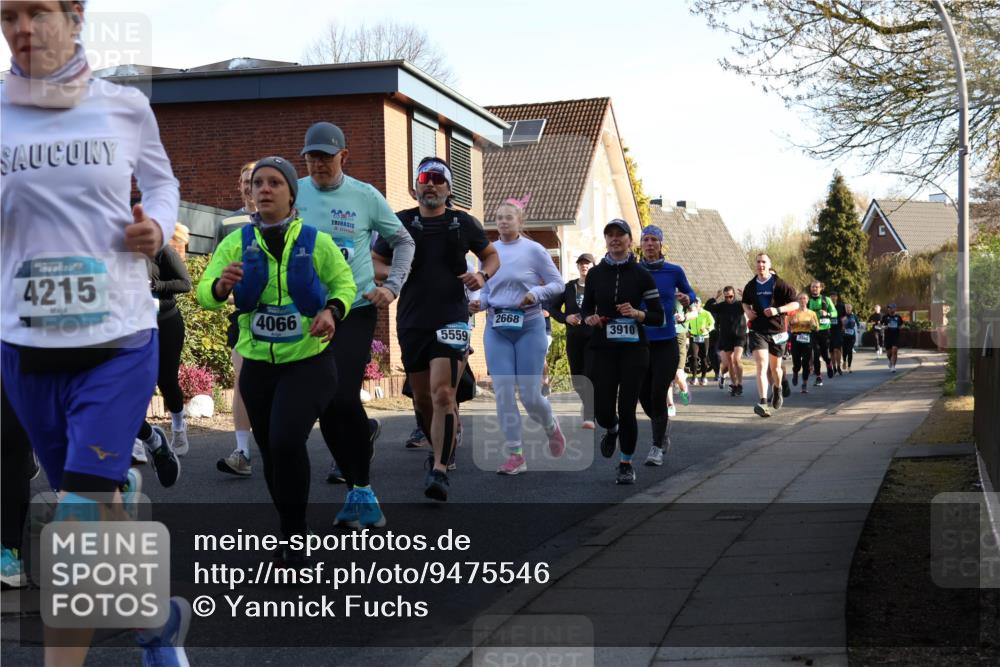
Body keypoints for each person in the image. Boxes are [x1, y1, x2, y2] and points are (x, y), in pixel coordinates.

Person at [1, 2, 189, 664]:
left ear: (74, 16)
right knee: (98, 515)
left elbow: (164, 186)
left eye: (37, 11)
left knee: (77, 524)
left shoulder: (124, 107)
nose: (22, 27)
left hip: (119, 339)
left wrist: (156, 227)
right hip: (26, 349)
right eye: (7, 15)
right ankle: (156, 620)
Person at [198, 156, 356, 547]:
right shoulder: (236, 242)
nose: (264, 189)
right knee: (271, 451)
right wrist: (221, 286)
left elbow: (345, 284)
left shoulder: (316, 241)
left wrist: (332, 311)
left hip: (308, 362)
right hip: (257, 365)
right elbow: (205, 292)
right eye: (258, 184)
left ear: (290, 193)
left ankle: (295, 534)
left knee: (286, 441)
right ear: (250, 194)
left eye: (274, 183)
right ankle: (290, 528)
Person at [295, 122, 415, 525]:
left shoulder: (365, 196)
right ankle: (357, 489)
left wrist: (393, 285)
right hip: (308, 312)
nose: (317, 165)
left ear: (343, 157)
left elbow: (404, 241)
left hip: (355, 310)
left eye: (325, 158)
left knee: (342, 397)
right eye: (311, 157)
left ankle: (363, 488)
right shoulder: (293, 190)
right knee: (324, 404)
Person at [373, 157, 499, 501]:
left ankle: (440, 469)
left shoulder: (462, 223)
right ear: (415, 187)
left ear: (449, 187)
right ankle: (441, 442)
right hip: (412, 319)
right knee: (424, 399)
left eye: (438, 179)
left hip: (452, 317)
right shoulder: (399, 223)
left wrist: (482, 276)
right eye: (424, 179)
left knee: (443, 392)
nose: (430, 184)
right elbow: (374, 262)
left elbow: (491, 256)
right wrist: (398, 271)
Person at [469, 197, 564, 475]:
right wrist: (477, 302)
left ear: (520, 222)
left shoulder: (534, 250)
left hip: (529, 325)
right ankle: (515, 454)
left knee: (531, 396)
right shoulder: (488, 252)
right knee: (503, 392)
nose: (502, 221)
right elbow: (484, 291)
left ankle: (551, 426)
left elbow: (557, 284)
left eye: (509, 216)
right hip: (497, 326)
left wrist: (536, 293)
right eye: (498, 217)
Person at [581, 219, 664, 484]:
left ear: (630, 241)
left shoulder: (642, 274)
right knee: (603, 410)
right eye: (610, 235)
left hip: (634, 350)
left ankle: (626, 463)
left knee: (627, 408)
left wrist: (637, 313)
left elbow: (657, 316)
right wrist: (589, 319)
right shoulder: (595, 274)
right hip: (603, 348)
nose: (615, 239)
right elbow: (586, 310)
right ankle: (612, 427)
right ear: (606, 241)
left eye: (620, 235)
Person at [131, 234, 191, 486]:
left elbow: (184, 284)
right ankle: (135, 440)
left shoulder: (161, 249)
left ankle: (178, 426)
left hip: (166, 323)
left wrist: (155, 286)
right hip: (134, 327)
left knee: (166, 381)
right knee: (133, 384)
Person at [635, 226, 695, 467]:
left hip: (666, 341)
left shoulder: (674, 271)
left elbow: (690, 293)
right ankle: (662, 429)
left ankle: (657, 445)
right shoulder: (634, 271)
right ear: (640, 244)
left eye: (654, 240)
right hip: (639, 341)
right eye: (646, 240)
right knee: (644, 396)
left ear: (661, 244)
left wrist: (687, 298)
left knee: (659, 392)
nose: (650, 244)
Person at [216, 161, 257, 478]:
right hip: (241, 315)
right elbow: (219, 271)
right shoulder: (229, 223)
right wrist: (225, 291)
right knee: (242, 380)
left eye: (253, 180)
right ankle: (242, 451)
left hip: (281, 317)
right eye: (244, 180)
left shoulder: (290, 221)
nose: (248, 185)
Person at [742, 255, 799, 417]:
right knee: (761, 366)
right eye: (758, 262)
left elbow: (795, 303)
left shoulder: (779, 283)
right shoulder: (751, 285)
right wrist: (747, 311)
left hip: (777, 330)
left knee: (775, 368)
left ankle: (778, 388)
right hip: (758, 330)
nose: (761, 265)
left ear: (769, 265)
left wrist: (778, 310)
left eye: (764, 262)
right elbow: (745, 302)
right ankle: (762, 402)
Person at [549, 253, 597, 429]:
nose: (584, 266)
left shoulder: (598, 287)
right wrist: (565, 318)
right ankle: (588, 405)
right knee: (577, 379)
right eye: (581, 264)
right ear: (578, 267)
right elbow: (551, 307)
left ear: (593, 266)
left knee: (589, 374)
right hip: (574, 338)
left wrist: (597, 317)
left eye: (587, 263)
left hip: (593, 338)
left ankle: (590, 415)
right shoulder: (569, 287)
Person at [707, 286, 747, 396]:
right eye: (726, 297)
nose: (729, 299)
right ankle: (734, 384)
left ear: (734, 295)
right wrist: (715, 297)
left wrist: (744, 296)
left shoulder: (739, 305)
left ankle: (740, 384)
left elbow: (750, 305)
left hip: (739, 336)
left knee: (737, 359)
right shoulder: (722, 306)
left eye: (731, 296)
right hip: (726, 337)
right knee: (729, 362)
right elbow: (708, 308)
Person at [806, 281, 837, 385]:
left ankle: (828, 364)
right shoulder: (809, 302)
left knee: (824, 353)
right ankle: (818, 376)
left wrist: (827, 313)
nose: (814, 289)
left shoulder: (826, 299)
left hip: (825, 330)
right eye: (812, 287)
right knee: (816, 353)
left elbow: (835, 313)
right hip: (814, 330)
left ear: (820, 288)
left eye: (816, 287)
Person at [788, 294, 820, 392]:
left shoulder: (812, 313)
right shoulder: (793, 313)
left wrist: (813, 325)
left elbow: (817, 328)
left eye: (804, 298)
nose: (802, 300)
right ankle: (795, 372)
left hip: (807, 337)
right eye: (800, 298)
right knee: (796, 362)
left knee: (805, 362)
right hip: (796, 337)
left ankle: (804, 384)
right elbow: (789, 325)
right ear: (798, 300)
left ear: (807, 300)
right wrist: (792, 323)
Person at [685, 300, 714, 385]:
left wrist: (707, 329)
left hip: (704, 337)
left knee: (704, 357)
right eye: (694, 303)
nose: (695, 304)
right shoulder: (690, 313)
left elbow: (712, 323)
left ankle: (703, 377)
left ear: (700, 304)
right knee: (693, 357)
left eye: (697, 303)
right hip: (694, 337)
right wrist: (687, 330)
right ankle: (694, 377)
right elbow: (685, 322)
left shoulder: (706, 313)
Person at [881, 303, 905, 372]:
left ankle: (893, 366)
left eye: (891, 308)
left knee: (894, 351)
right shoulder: (885, 317)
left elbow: (902, 325)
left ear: (895, 309)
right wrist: (884, 327)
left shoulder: (898, 317)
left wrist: (900, 327)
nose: (890, 309)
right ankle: (890, 361)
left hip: (896, 336)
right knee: (889, 353)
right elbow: (880, 326)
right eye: (889, 308)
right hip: (888, 337)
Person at [829, 291, 845, 375]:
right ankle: (834, 367)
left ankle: (839, 366)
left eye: (834, 296)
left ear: (837, 297)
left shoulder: (841, 306)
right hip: (829, 330)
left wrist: (843, 321)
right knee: (831, 351)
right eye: (831, 296)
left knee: (837, 349)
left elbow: (845, 316)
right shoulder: (827, 306)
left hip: (838, 330)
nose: (833, 298)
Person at [841, 303, 860, 373]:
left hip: (852, 336)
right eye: (847, 308)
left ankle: (849, 366)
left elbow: (858, 323)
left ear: (851, 308)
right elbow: (840, 324)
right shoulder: (843, 316)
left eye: (849, 308)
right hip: (844, 336)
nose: (848, 309)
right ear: (845, 309)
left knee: (849, 350)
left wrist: (858, 328)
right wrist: (842, 326)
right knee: (845, 351)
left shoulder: (854, 316)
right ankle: (844, 361)